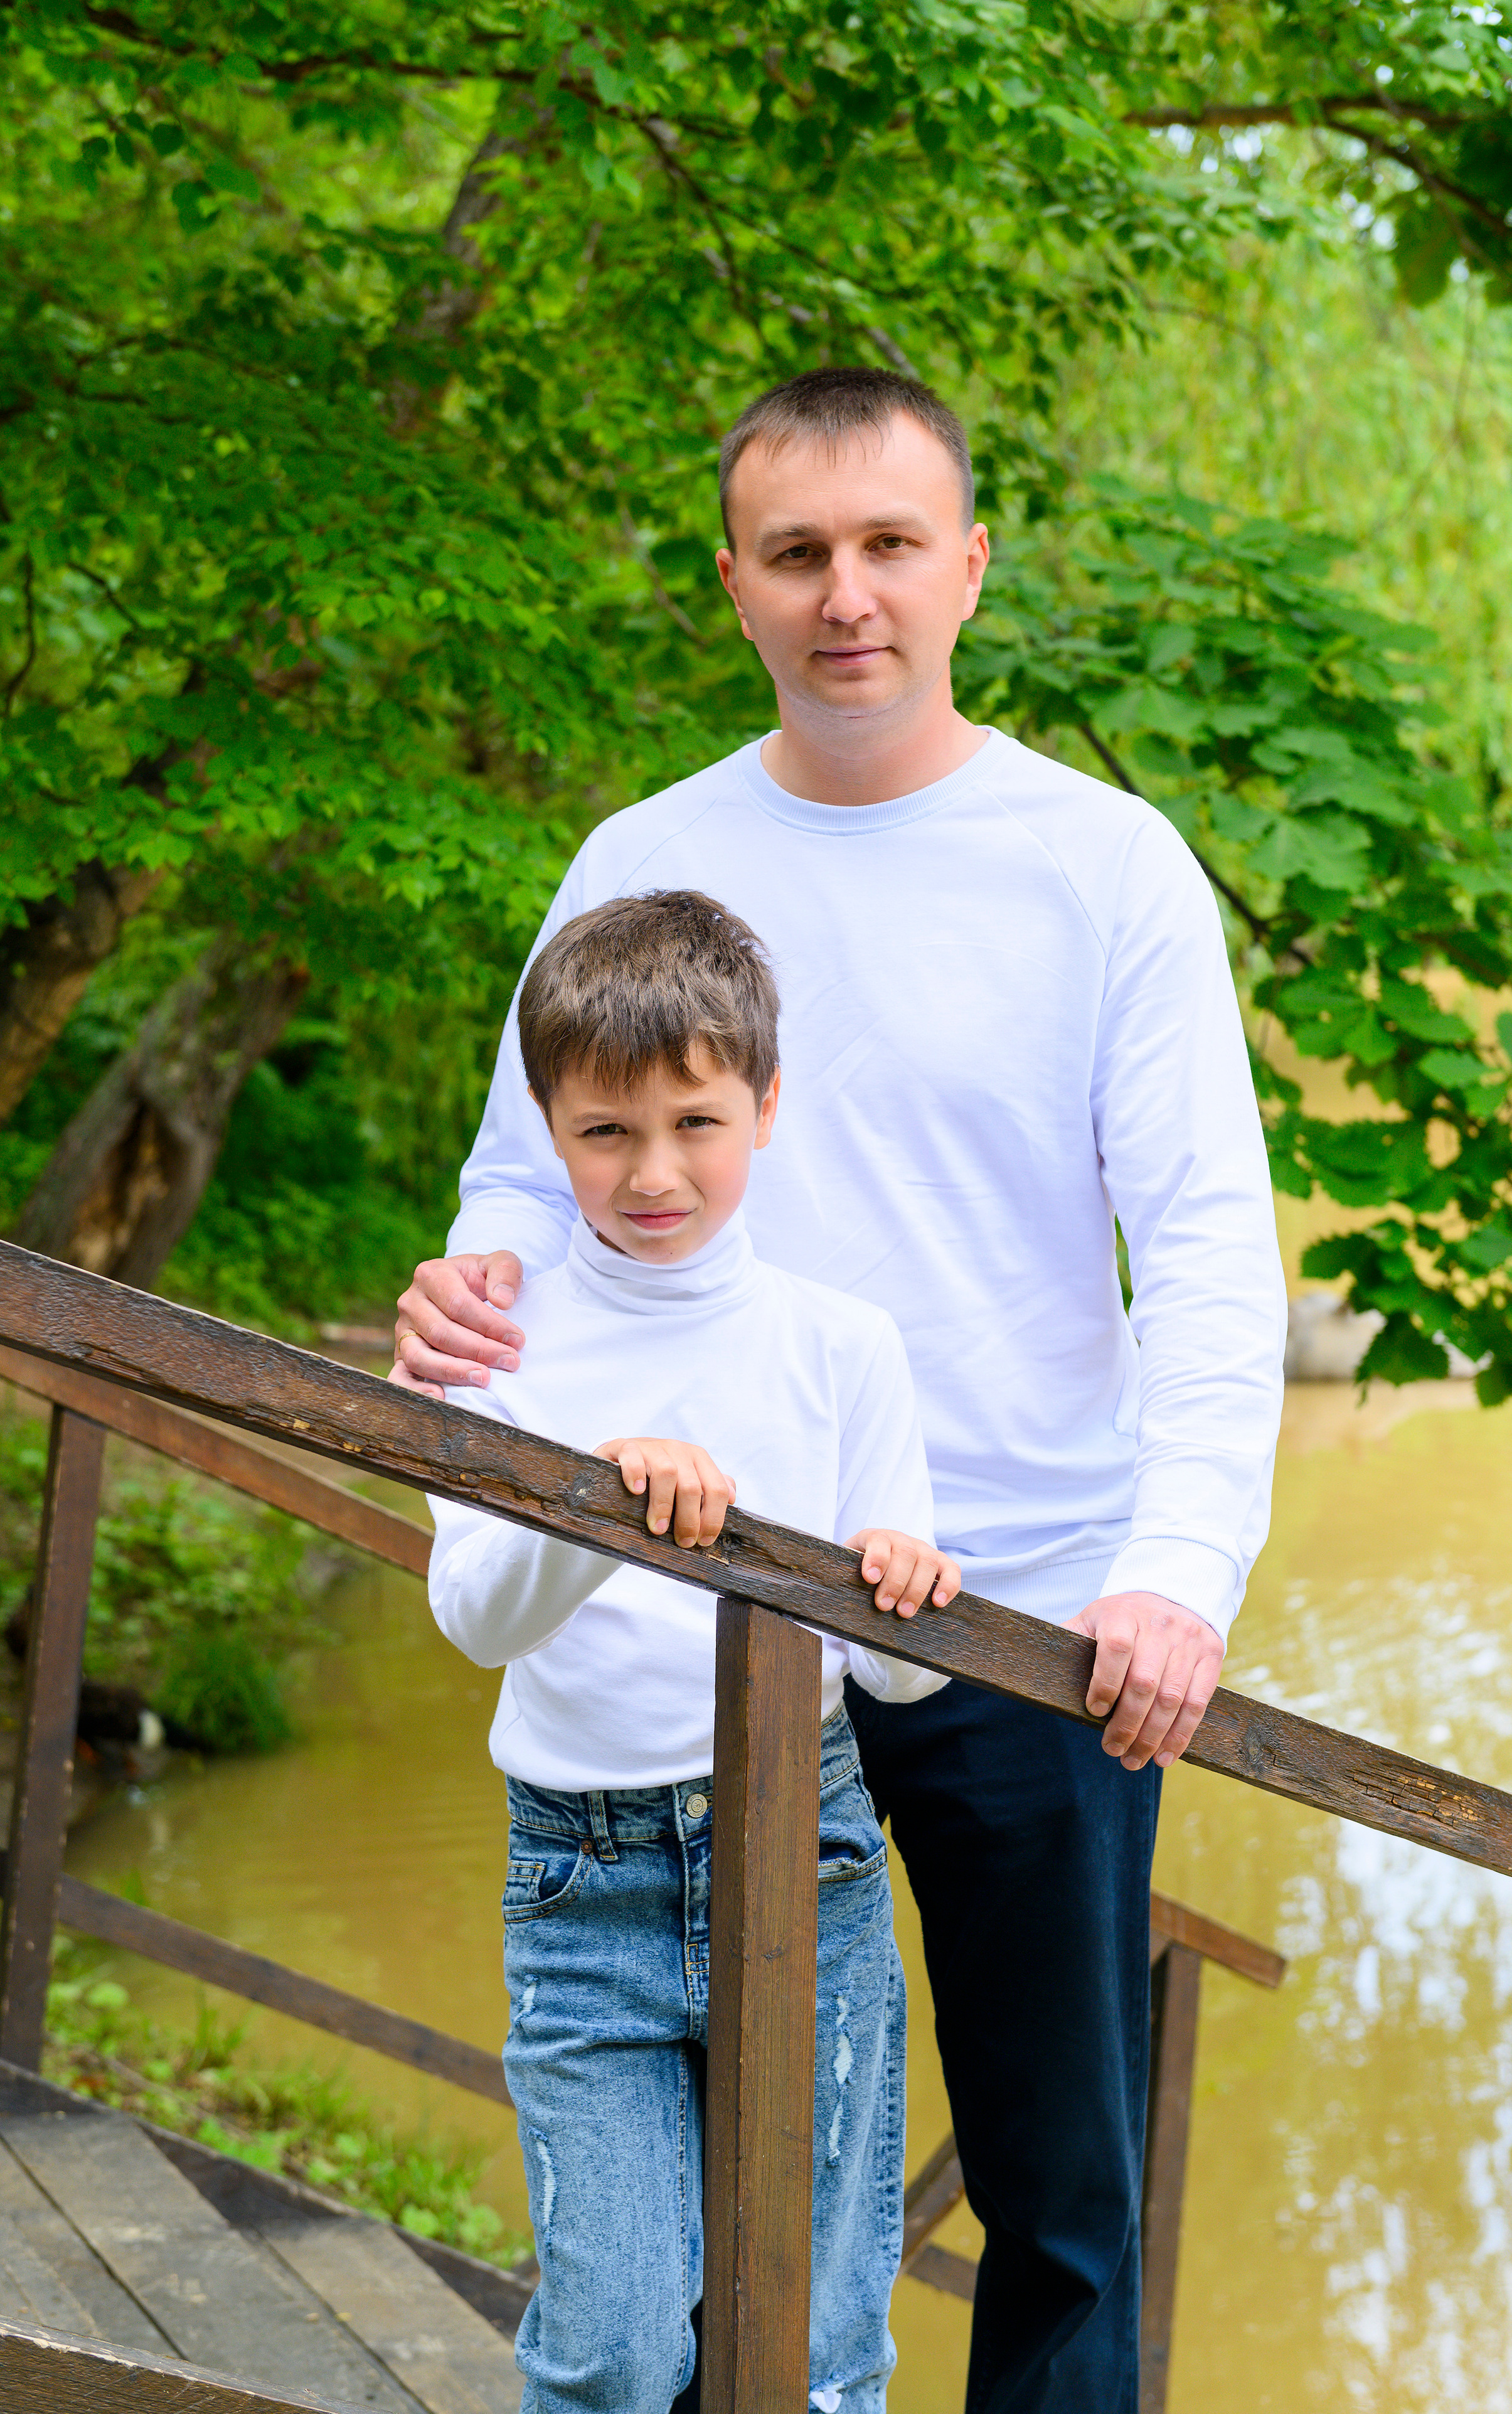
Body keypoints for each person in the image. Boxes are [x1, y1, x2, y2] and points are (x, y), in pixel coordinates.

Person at [395, 366, 1287, 2412]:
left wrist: (1177, 1568)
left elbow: (1216, 1254)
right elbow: (530, 1180)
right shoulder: (648, 848)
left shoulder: (1107, 866)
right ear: (736, 586)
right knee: (716, 2201)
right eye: (798, 552)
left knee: (1060, 2198)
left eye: (891, 544)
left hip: (1015, 1607)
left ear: (971, 564)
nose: (847, 594)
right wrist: (475, 1302)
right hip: (696, 1620)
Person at [425, 887, 960, 2413]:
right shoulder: (495, 1341)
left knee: (814, 2346)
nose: (653, 1173)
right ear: (546, 1126)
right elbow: (472, 1617)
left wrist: (903, 1594)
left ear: (767, 1107)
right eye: (604, 1132)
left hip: (809, 1856)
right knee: (615, 2343)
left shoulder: (840, 1345)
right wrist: (596, 1498)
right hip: (581, 1877)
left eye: (695, 1123)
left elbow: (900, 1679)